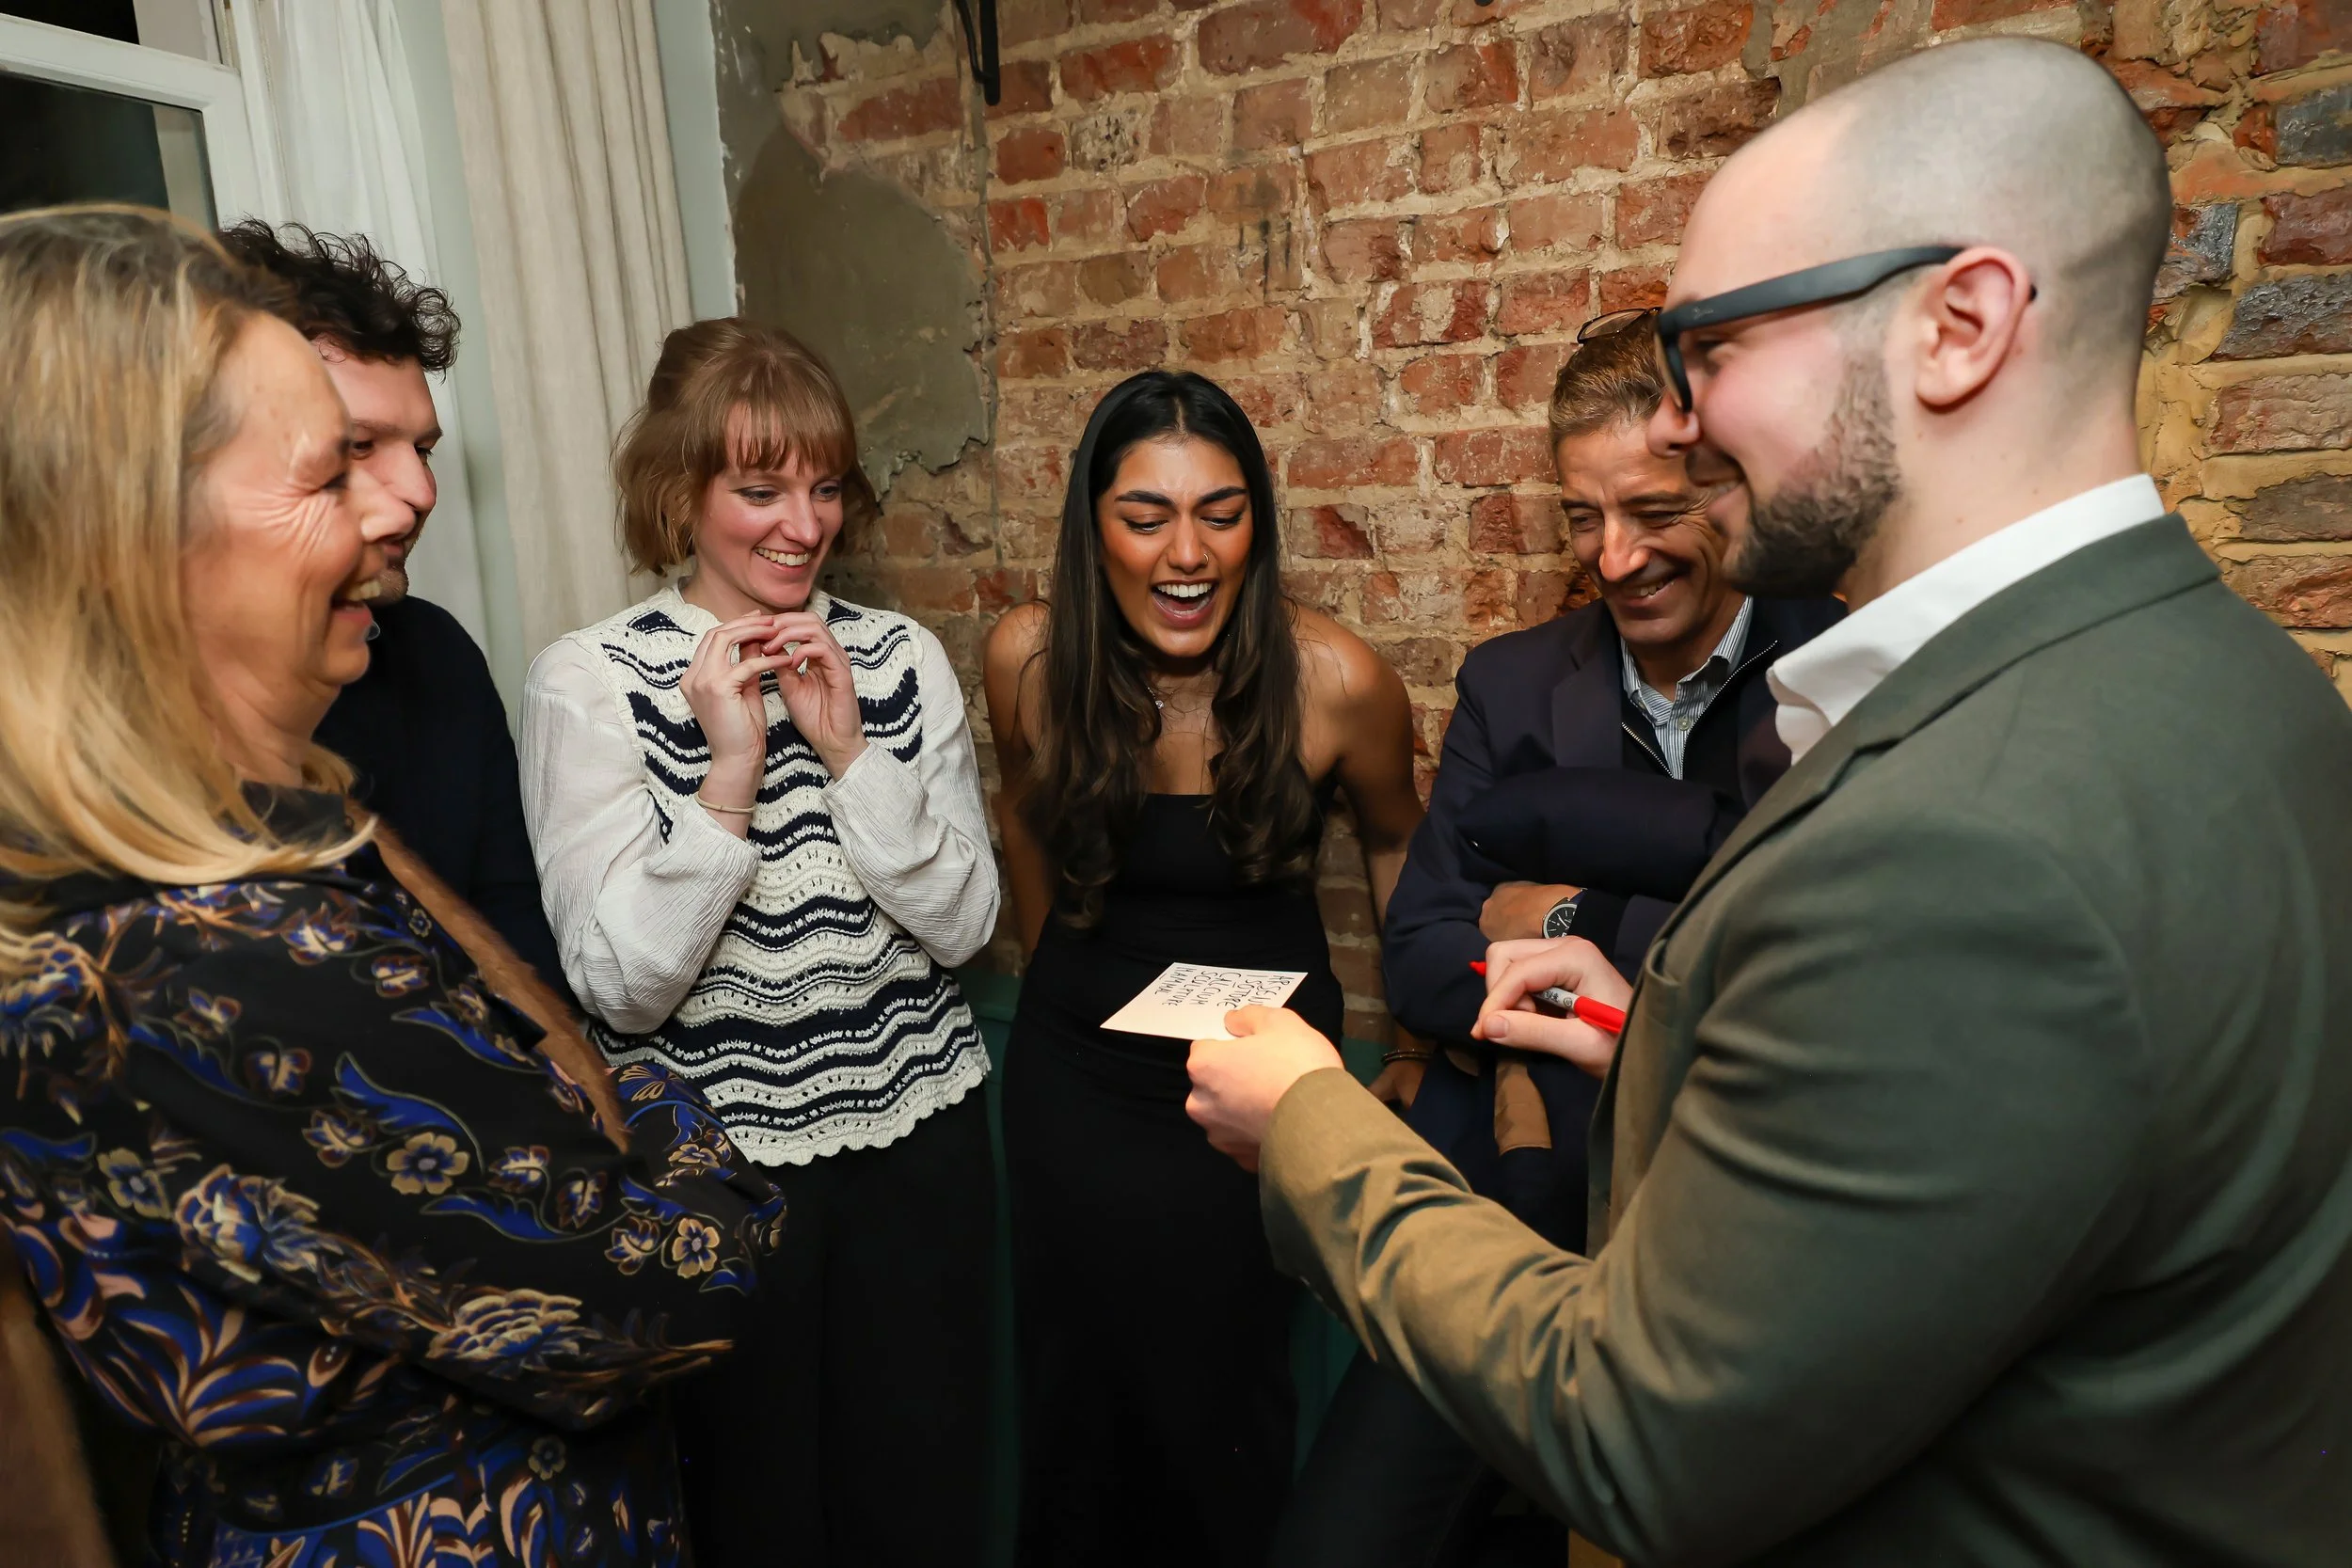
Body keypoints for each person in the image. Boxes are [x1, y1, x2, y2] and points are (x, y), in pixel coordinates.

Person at [1185, 37, 2352, 1565]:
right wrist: (1652, 1016)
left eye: (1712, 346)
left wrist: (1315, 1126)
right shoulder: (2252, 686)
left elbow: (1635, 1432)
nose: (1674, 421)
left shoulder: (1958, 846)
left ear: (1958, 326)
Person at [0, 206, 780, 1568]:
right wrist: (670, 1128)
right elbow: (676, 1276)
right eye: (333, 466)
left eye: (410, 452)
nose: (401, 502)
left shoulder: (224, 843)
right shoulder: (204, 956)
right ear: (131, 536)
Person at [1279, 316, 1841, 1567]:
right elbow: (1427, 957)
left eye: (1651, 508)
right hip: (1518, 1194)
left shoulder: (1839, 666)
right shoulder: (1514, 682)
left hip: (1738, 1223)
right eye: (1584, 519)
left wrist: (1563, 908)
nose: (1616, 557)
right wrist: (1637, 921)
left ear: (1730, 484)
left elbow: (1800, 961)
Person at [519, 318, 1001, 1567]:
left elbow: (966, 923)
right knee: (757, 1513)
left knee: (922, 1494)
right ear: (680, 494)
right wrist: (728, 775)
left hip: (919, 1149)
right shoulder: (590, 680)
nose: (802, 522)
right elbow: (620, 990)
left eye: (825, 484)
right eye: (759, 486)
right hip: (715, 1178)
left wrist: (848, 751)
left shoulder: (898, 658)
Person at [982, 369, 1422, 1568]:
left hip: (1252, 1089)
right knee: (1077, 1400)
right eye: (1146, 515)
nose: (1187, 552)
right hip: (1076, 1079)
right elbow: (1024, 820)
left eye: (1220, 513)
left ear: (1256, 527)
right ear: (1094, 529)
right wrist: (1051, 981)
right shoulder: (1026, 659)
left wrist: (1421, 1040)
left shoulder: (1338, 680)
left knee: (1218, 1403)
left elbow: (1397, 846)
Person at [216, 220, 568, 1001]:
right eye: (359, 445)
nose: (422, 493)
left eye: (424, 449)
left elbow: (516, 928)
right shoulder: (138, 725)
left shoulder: (435, 652)